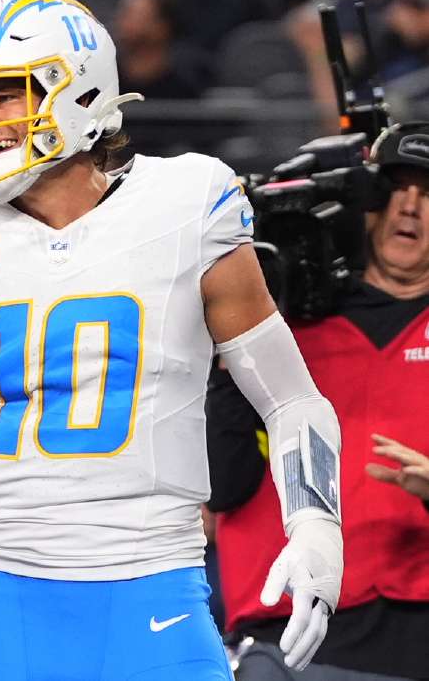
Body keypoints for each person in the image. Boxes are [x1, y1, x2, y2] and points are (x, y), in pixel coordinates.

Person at [0, 0, 346, 678]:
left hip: (152, 589)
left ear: (80, 89)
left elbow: (293, 401)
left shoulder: (183, 205)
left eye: (2, 97)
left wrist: (317, 526)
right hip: (5, 595)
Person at [210, 121, 429, 681]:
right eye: (394, 190)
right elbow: (223, 484)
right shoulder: (280, 327)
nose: (410, 208)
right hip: (281, 634)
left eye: (428, 194)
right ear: (364, 205)